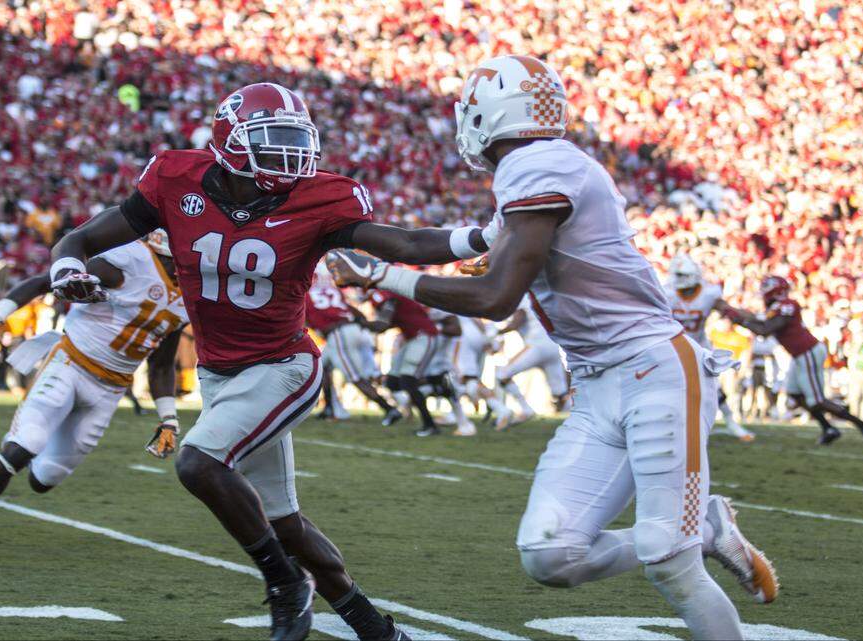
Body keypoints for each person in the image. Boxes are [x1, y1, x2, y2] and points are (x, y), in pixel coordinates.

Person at [331, 55, 775, 640]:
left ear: (490, 115)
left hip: (655, 371)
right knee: (551, 554)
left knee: (669, 557)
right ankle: (709, 529)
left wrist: (379, 277)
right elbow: (427, 242)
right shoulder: (537, 171)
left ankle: (696, 540)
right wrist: (335, 232)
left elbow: (495, 295)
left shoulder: (539, 167)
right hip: (598, 386)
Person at [45, 83, 500, 641]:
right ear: (228, 140)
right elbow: (81, 238)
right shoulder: (174, 179)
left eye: (294, 139)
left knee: (197, 463)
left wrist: (480, 235)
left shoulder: (321, 197)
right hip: (218, 371)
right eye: (270, 139)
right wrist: (66, 272)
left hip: (285, 366)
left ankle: (285, 584)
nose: (288, 154)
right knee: (284, 522)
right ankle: (375, 630)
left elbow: (401, 244)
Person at [0, 232, 187, 565]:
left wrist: (169, 419)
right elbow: (40, 283)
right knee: (23, 446)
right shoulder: (126, 262)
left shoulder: (190, 290)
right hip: (69, 364)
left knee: (45, 478)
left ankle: (26, 444)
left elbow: (162, 364)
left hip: (109, 391)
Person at [724, 276, 863, 445]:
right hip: (799, 355)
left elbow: (764, 329)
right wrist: (734, 311)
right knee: (795, 394)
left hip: (808, 352)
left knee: (817, 400)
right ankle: (828, 428)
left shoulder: (787, 305)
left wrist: (738, 319)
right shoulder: (778, 306)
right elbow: (757, 319)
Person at [667, 255, 754, 441]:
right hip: (672, 348)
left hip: (699, 346)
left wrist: (738, 314)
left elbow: (725, 308)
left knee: (713, 387)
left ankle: (731, 422)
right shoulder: (667, 294)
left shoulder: (709, 293)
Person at [305, 263, 401, 426]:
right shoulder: (333, 290)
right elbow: (352, 309)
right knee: (322, 368)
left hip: (339, 334)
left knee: (354, 377)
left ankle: (389, 408)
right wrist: (364, 324)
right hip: (354, 329)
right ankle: (330, 407)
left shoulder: (305, 294)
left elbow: (305, 320)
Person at [363, 289, 443, 436]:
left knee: (408, 381)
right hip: (413, 338)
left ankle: (430, 424)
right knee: (392, 382)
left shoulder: (382, 293)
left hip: (423, 335)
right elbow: (385, 325)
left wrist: (359, 321)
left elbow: (382, 324)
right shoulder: (386, 293)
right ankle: (436, 383)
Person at [492, 293, 570, 427]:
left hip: (536, 346)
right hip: (554, 346)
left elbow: (517, 322)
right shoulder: (547, 294)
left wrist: (495, 333)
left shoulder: (523, 295)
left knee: (502, 374)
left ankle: (526, 409)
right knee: (560, 393)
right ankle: (579, 421)